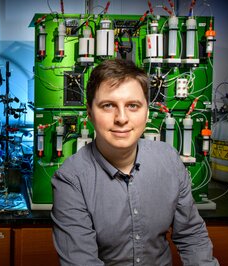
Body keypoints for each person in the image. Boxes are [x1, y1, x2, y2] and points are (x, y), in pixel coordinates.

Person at [51, 59, 218, 265]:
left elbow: (192, 236)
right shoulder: (71, 179)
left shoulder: (169, 160)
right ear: (90, 113)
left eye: (133, 105)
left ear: (147, 112)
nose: (121, 118)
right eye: (108, 105)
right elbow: (81, 262)